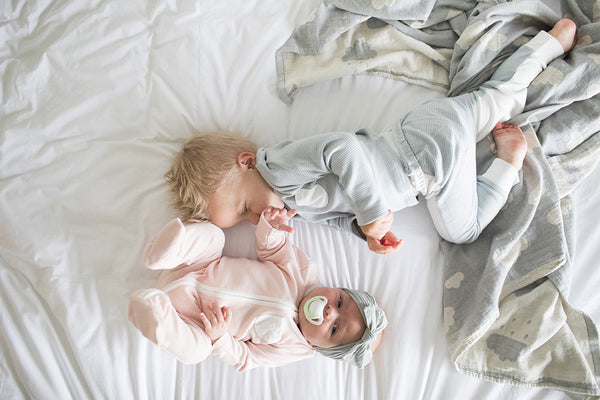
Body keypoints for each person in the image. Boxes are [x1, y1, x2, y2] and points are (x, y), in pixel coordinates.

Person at [165, 20, 578, 254]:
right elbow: (341, 211)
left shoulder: (279, 168)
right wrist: (365, 234)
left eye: (242, 208)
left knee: (462, 232)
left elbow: (341, 149)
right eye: (243, 221)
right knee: (499, 99)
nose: (254, 220)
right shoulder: (289, 204)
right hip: (427, 127)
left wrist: (370, 210)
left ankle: (508, 159)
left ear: (247, 161)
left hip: (425, 164)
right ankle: (547, 46)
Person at [128, 207, 387, 371]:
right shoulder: (304, 273)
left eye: (333, 329)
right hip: (202, 264)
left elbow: (246, 357)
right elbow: (273, 249)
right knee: (215, 237)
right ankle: (166, 252)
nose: (330, 311)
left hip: (195, 318)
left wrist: (219, 339)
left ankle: (157, 316)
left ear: (321, 347)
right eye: (340, 302)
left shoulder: (293, 348)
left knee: (197, 350)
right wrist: (271, 227)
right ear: (338, 289)